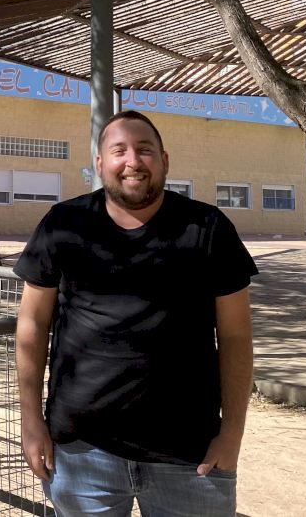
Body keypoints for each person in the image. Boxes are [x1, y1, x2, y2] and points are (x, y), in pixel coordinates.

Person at [15, 110, 256, 516]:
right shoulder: (64, 224)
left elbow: (236, 336)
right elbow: (32, 324)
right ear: (100, 163)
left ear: (164, 161)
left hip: (190, 457)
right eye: (119, 151)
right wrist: (30, 421)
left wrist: (232, 433)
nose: (133, 161)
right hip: (82, 453)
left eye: (145, 150)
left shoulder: (208, 228)